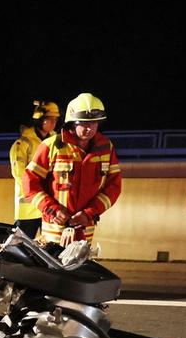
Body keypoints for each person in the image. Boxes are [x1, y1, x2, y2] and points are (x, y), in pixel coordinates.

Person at [22, 93, 122, 246]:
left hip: (85, 230)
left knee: (80, 261)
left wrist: (89, 213)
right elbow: (30, 183)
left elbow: (114, 187)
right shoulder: (51, 146)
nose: (89, 128)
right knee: (50, 262)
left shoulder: (106, 148)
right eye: (84, 123)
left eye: (94, 123)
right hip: (54, 231)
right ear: (73, 122)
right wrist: (53, 210)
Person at [9, 100, 60, 237]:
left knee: (50, 245)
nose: (53, 123)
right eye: (49, 119)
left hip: (49, 206)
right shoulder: (22, 144)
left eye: (55, 119)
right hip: (28, 209)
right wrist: (36, 192)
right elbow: (19, 174)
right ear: (39, 119)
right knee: (22, 245)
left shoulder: (57, 142)